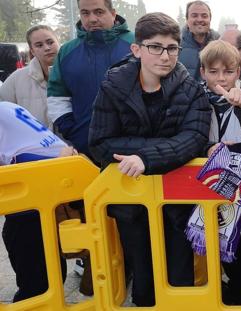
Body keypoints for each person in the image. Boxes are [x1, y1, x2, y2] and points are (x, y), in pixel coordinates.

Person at [88, 12, 211, 306]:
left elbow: (193, 139)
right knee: (143, 276)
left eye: (171, 48)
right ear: (137, 49)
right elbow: (100, 142)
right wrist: (160, 150)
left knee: (179, 274)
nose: (165, 56)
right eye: (155, 47)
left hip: (176, 204)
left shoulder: (192, 89)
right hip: (131, 203)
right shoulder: (113, 85)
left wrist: (144, 157)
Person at [197, 39, 241, 305]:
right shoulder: (196, 100)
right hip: (212, 191)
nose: (220, 78)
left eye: (227, 71)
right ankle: (236, 293)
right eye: (213, 72)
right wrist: (208, 147)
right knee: (224, 249)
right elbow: (190, 136)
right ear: (203, 73)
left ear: (238, 71)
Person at [0, 101, 77, 302]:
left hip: (32, 191)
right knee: (48, 267)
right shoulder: (8, 107)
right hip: (58, 178)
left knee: (35, 280)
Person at [47, 0, 134, 157]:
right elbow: (57, 97)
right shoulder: (67, 51)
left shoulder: (136, 44)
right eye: (85, 13)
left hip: (135, 149)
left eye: (99, 12)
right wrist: (72, 131)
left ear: (113, 14)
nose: (92, 19)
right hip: (85, 147)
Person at [0, 25, 59, 127]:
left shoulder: (75, 72)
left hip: (71, 142)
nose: (47, 48)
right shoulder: (17, 79)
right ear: (32, 51)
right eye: (39, 45)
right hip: (32, 142)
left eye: (50, 42)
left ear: (58, 42)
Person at [179, 0, 220, 81]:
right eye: (194, 16)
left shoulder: (219, 45)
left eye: (204, 16)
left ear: (210, 20)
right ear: (187, 20)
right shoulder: (175, 46)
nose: (200, 19)